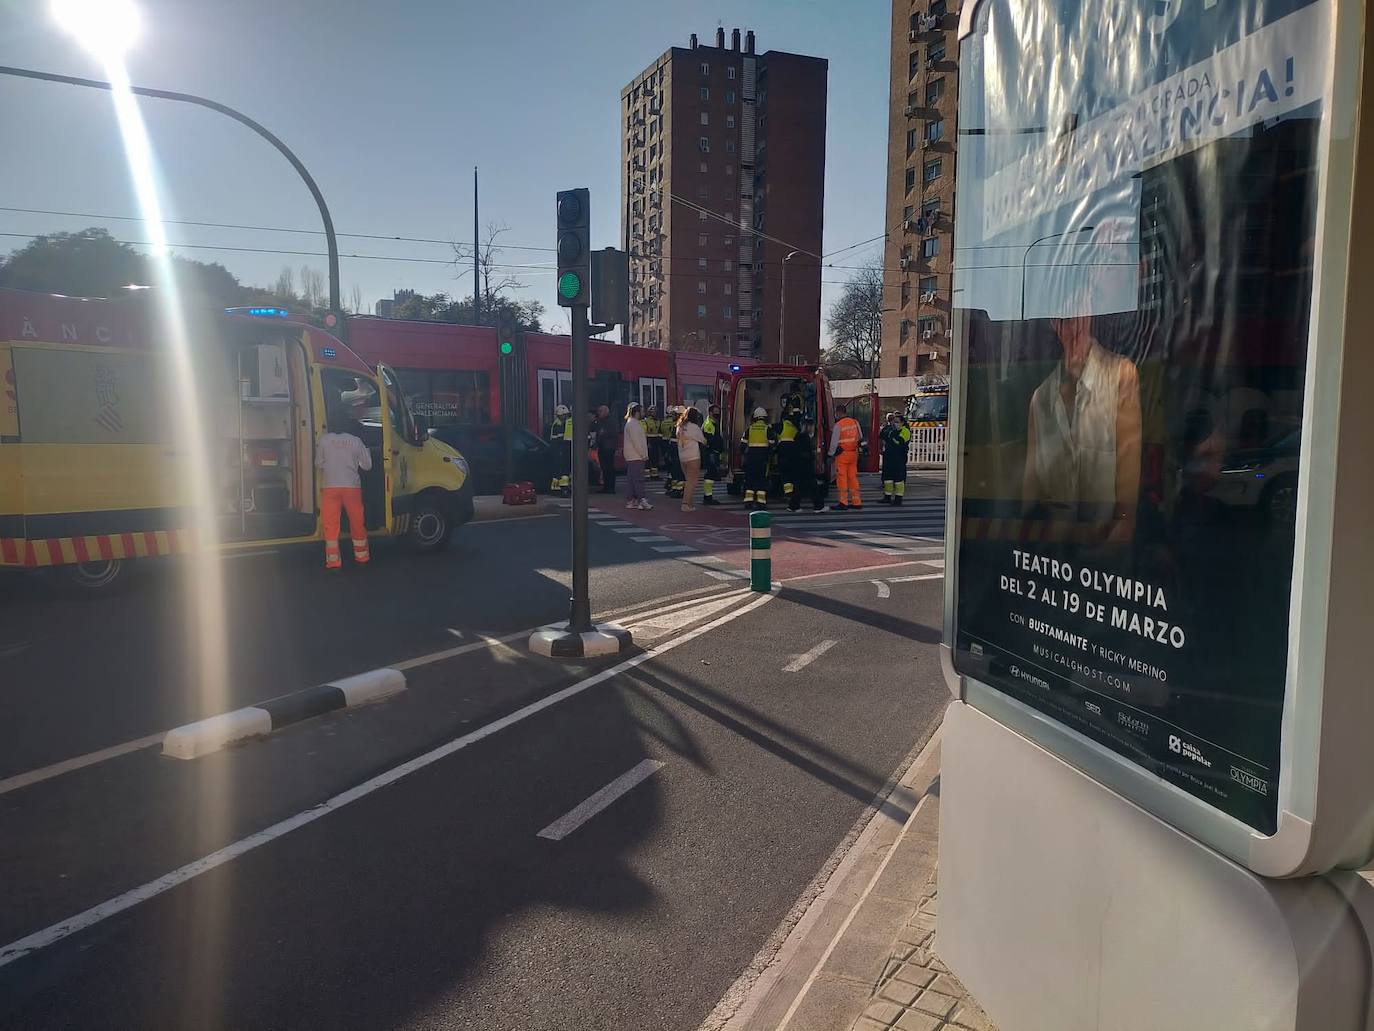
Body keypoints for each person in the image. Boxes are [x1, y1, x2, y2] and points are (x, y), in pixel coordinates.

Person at [1022, 307, 1142, 544]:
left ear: (1090, 316)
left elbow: (1129, 467)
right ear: (1055, 324)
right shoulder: (1041, 399)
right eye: (1066, 319)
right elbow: (1031, 484)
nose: (1075, 327)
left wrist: (1124, 526)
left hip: (1106, 546)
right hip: (1053, 550)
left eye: (1081, 315)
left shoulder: (1121, 375)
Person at [316, 411, 373, 569]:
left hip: (330, 487)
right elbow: (367, 466)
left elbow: (318, 463)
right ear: (348, 425)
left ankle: (333, 561)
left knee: (331, 524)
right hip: (351, 487)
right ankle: (361, 557)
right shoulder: (356, 441)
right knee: (357, 521)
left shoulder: (324, 440)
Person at [829, 402, 865, 510]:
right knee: (853, 478)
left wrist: (830, 454)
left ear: (838, 413)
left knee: (842, 478)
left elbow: (834, 442)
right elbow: (860, 437)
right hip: (853, 454)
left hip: (842, 454)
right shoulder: (855, 422)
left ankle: (843, 502)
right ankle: (856, 502)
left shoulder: (839, 425)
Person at [741, 405, 775, 510]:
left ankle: (748, 502)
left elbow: (742, 445)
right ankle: (761, 503)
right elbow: (772, 444)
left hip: (751, 457)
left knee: (749, 479)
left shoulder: (749, 429)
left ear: (755, 417)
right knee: (762, 479)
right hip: (762, 459)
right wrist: (769, 455)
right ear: (764, 417)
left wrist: (744, 455)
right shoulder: (767, 429)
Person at [676, 407, 708, 512]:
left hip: (682, 457)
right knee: (692, 481)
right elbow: (703, 440)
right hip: (693, 457)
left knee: (688, 480)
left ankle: (689, 503)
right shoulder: (694, 427)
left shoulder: (680, 426)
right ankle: (685, 504)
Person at [622, 402, 652, 511]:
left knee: (631, 478)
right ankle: (641, 499)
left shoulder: (630, 423)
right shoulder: (634, 424)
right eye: (642, 411)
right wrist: (643, 454)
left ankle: (632, 500)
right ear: (637, 412)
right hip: (636, 456)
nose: (644, 413)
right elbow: (637, 442)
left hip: (632, 455)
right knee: (639, 479)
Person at [880, 412, 913, 505]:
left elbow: (899, 442)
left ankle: (898, 499)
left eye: (897, 422)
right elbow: (883, 438)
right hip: (889, 456)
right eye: (894, 422)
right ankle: (887, 496)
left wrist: (892, 436)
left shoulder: (905, 431)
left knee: (898, 479)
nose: (895, 423)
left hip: (899, 458)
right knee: (888, 478)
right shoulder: (890, 430)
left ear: (902, 423)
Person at [775, 400, 804, 508]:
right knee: (792, 473)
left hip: (783, 450)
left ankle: (788, 493)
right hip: (794, 451)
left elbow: (773, 432)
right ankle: (792, 493)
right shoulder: (795, 426)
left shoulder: (782, 425)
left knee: (784, 473)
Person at [702, 403, 724, 506]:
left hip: (713, 452)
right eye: (715, 412)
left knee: (711, 475)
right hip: (711, 452)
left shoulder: (714, 423)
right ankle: (707, 497)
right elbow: (709, 439)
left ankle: (708, 496)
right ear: (710, 413)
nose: (717, 414)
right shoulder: (708, 424)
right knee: (710, 475)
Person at [548, 404, 572, 496]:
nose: (565, 417)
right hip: (561, 449)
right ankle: (563, 489)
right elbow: (558, 439)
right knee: (562, 471)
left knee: (560, 471)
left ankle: (557, 489)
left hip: (563, 449)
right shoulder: (558, 425)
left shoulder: (562, 423)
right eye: (563, 415)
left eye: (565, 415)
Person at [593, 404, 618, 495]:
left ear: (605, 412)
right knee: (604, 468)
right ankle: (606, 487)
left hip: (609, 447)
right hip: (602, 447)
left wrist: (604, 432)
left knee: (609, 468)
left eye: (600, 411)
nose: (598, 413)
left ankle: (610, 487)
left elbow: (614, 432)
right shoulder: (599, 421)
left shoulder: (611, 420)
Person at [663, 406, 685, 498]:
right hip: (674, 452)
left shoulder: (682, 425)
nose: (673, 416)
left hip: (679, 452)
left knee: (679, 472)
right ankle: (675, 488)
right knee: (674, 471)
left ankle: (680, 490)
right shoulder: (676, 424)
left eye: (675, 414)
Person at [644, 405, 662, 480]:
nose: (654, 413)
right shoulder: (646, 421)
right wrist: (647, 443)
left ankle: (655, 476)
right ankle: (647, 476)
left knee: (655, 459)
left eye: (655, 412)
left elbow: (660, 432)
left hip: (656, 441)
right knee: (648, 460)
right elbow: (644, 433)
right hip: (649, 441)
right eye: (652, 412)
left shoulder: (658, 421)